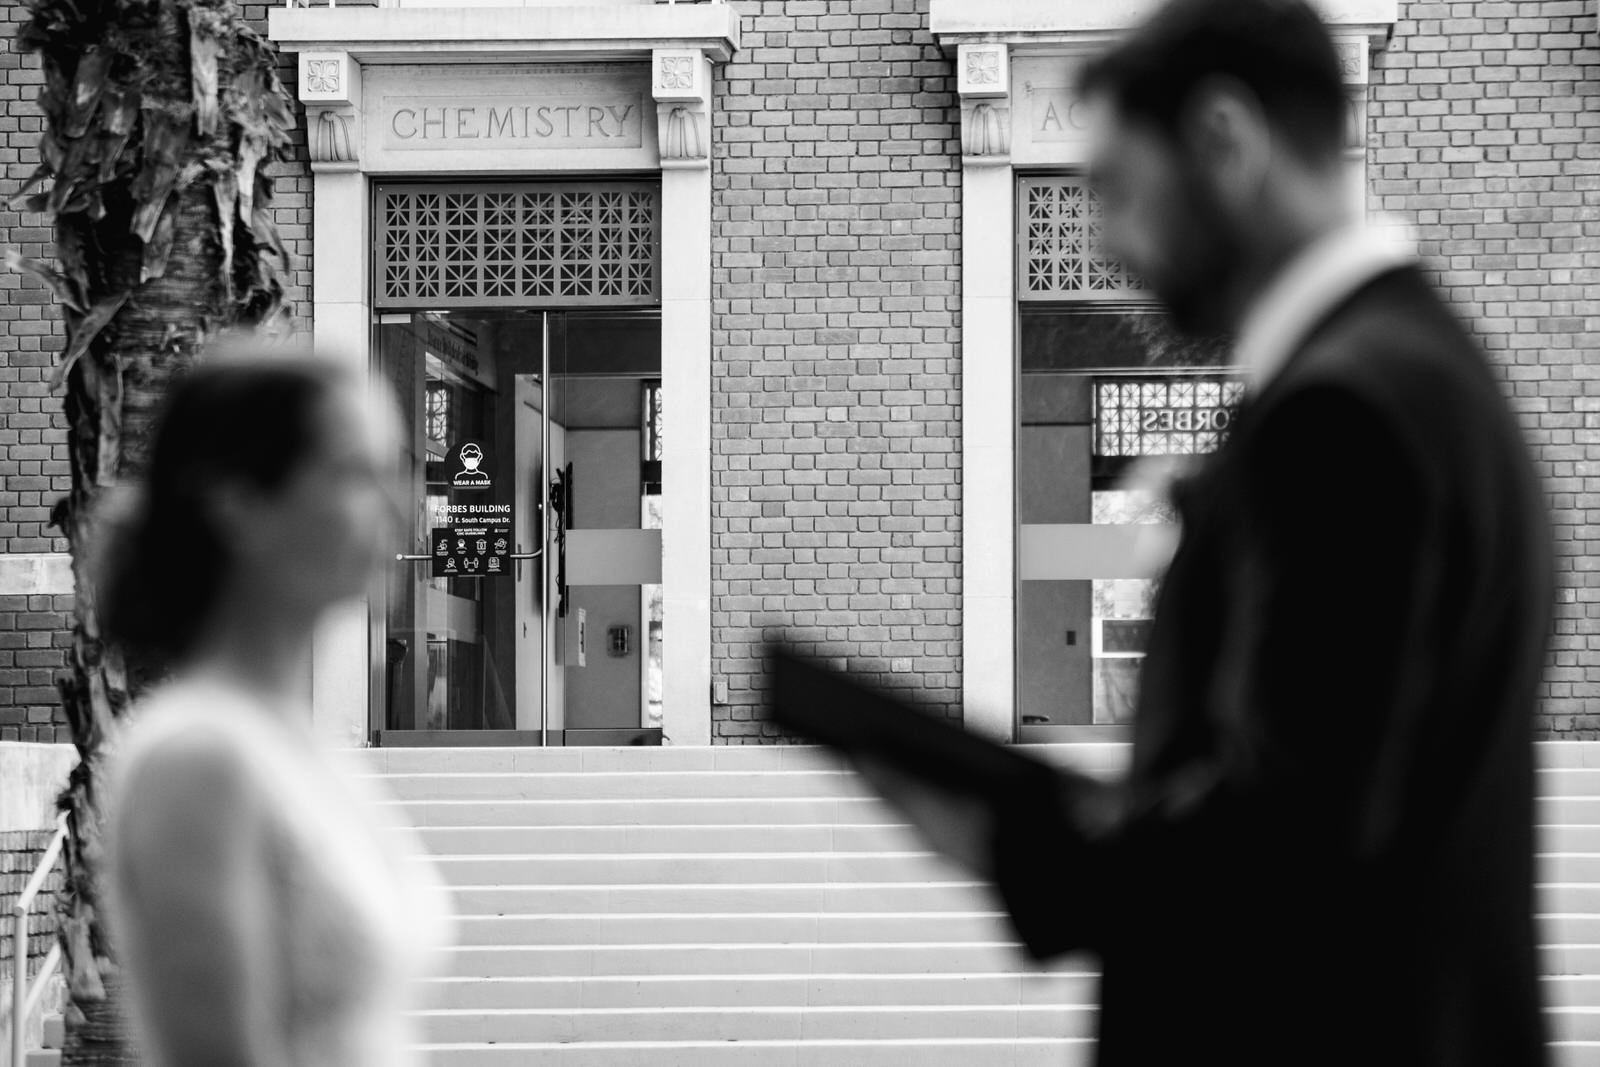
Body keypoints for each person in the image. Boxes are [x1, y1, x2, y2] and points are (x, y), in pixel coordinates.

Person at [852, 1, 1555, 1064]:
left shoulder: (1340, 416)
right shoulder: (1422, 373)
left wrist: (1020, 842)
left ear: (1225, 140)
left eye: (1120, 193)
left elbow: (1285, 830)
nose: (1108, 244)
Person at [96, 353, 451, 1067]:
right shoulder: (198, 757)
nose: (396, 508)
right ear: (240, 502)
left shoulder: (307, 742)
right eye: (355, 473)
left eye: (397, 472)